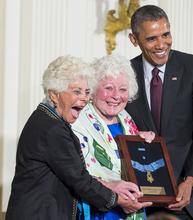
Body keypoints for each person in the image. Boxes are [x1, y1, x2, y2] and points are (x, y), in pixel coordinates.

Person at [5, 55, 150, 220]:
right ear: (54, 94)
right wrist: (118, 200)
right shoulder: (53, 129)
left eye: (87, 91)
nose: (84, 98)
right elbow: (80, 179)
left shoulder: (46, 118)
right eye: (76, 91)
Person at [125, 5, 193, 220]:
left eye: (166, 34)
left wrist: (191, 180)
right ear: (134, 40)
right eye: (152, 39)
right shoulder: (124, 75)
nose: (162, 45)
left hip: (192, 197)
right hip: (144, 199)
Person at [71, 54, 154, 220]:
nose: (116, 96)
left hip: (133, 210)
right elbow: (74, 174)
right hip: (98, 210)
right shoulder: (76, 120)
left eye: (123, 89)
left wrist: (142, 143)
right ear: (92, 90)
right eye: (108, 88)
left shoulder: (127, 118)